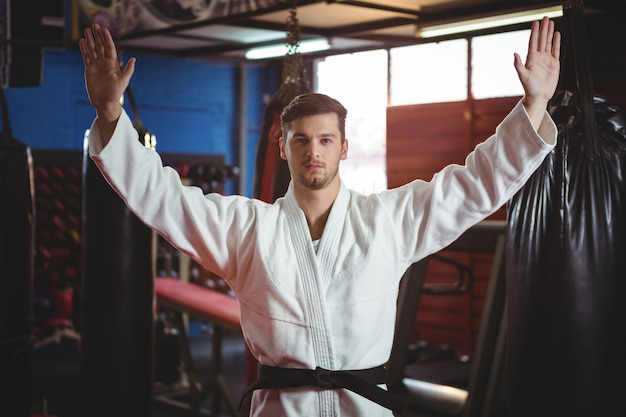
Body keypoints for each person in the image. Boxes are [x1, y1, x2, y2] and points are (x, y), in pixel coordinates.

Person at [79, 16, 560, 417]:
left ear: (344, 148)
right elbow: (165, 199)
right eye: (301, 140)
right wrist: (110, 113)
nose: (314, 152)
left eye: (326, 140)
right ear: (282, 145)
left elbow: (471, 187)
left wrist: (535, 104)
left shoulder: (387, 220)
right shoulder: (247, 229)